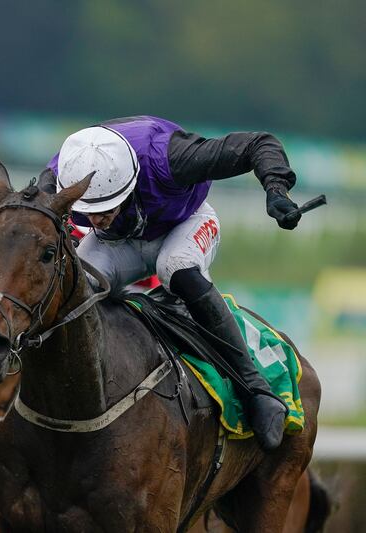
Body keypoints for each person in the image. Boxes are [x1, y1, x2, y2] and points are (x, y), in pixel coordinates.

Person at [51, 116, 301, 451]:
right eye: (87, 210)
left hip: (185, 224)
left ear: (129, 182)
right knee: (75, 287)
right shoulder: (63, 170)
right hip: (118, 241)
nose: (94, 219)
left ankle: (255, 390)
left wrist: (276, 190)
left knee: (176, 268)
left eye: (105, 207)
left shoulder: (172, 159)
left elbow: (260, 142)